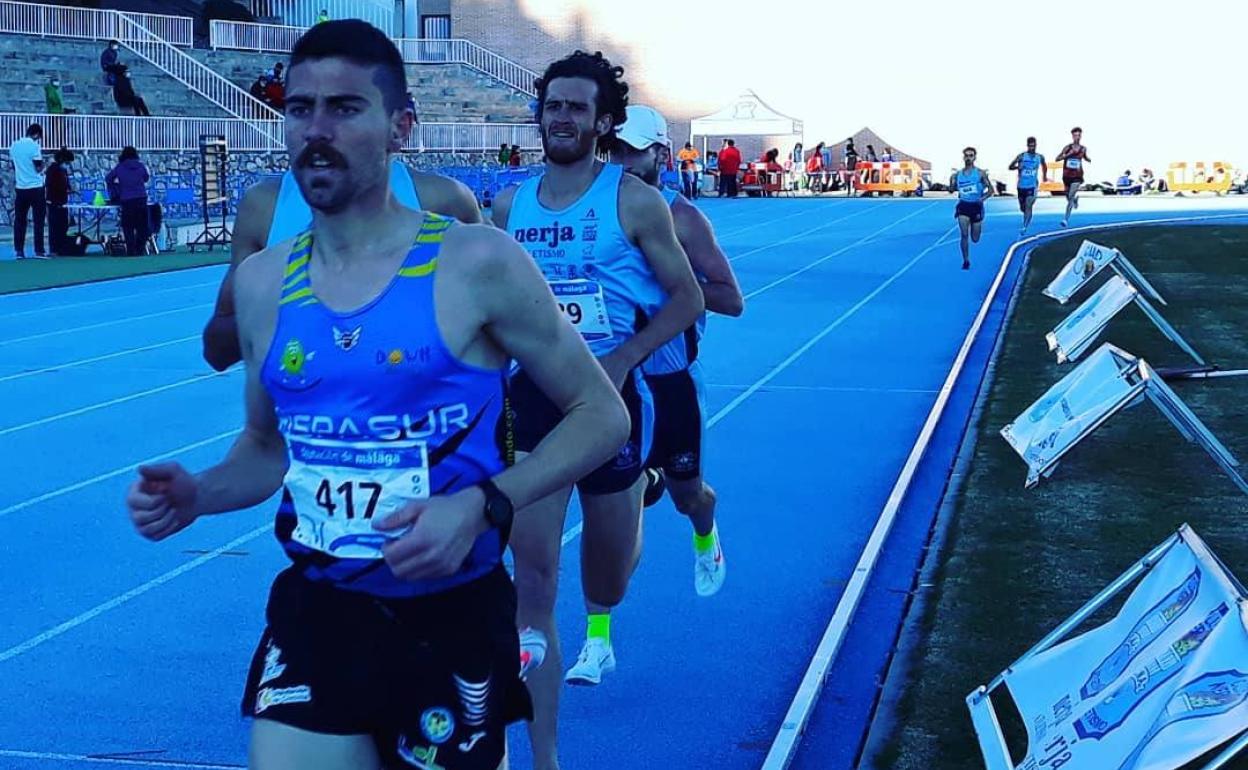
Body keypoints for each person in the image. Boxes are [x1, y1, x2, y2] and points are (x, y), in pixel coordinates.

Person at [125, 20, 631, 770]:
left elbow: (603, 415)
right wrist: (200, 492)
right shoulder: (264, 283)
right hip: (319, 609)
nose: (316, 131)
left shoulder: (476, 262)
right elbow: (265, 449)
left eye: (344, 108)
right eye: (299, 109)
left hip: (451, 617)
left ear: (401, 128)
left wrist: (484, 503)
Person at [489, 50, 704, 770]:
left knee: (605, 578)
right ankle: (542, 755)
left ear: (603, 121)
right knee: (535, 585)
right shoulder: (507, 207)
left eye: (577, 108)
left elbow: (688, 300)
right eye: (553, 105)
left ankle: (624, 543)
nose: (562, 118)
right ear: (538, 113)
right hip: (532, 407)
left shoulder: (632, 201)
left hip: (611, 406)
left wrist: (619, 358)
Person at [201, 79, 483, 374]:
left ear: (399, 127)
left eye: (346, 111)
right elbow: (216, 349)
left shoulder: (442, 199)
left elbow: (499, 321)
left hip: (415, 414)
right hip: (302, 411)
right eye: (305, 111)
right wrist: (293, 302)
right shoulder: (266, 205)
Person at [611, 104, 742, 597]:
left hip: (671, 383)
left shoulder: (683, 217)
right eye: (616, 151)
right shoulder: (600, 212)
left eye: (634, 152)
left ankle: (706, 533)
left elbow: (731, 299)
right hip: (614, 380)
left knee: (689, 496)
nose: (623, 162)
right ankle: (598, 627)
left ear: (660, 155)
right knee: (615, 504)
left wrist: (669, 284)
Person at [950, 146, 994, 270]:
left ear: (974, 157)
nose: (968, 158)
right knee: (964, 235)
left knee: (975, 238)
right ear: (963, 157)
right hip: (963, 205)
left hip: (976, 206)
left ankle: (975, 229)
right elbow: (951, 190)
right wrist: (952, 182)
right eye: (966, 155)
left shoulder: (980, 174)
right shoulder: (958, 174)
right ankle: (966, 260)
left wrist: (982, 199)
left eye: (971, 155)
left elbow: (991, 190)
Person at [106, 146, 150, 256]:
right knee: (142, 226)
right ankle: (140, 249)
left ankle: (130, 250)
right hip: (141, 197)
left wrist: (117, 187)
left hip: (127, 199)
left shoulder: (120, 167)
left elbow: (108, 178)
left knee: (128, 226)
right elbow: (146, 178)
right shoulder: (140, 166)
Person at [10, 123, 46, 259]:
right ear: (36, 134)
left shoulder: (14, 145)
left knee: (19, 220)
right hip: (36, 187)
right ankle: (39, 251)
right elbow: (38, 167)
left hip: (21, 188)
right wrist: (44, 165)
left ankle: (19, 251)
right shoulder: (34, 146)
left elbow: (14, 165)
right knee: (39, 220)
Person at [1008, 136, 1046, 236]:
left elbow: (1044, 166)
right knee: (1023, 208)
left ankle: (1025, 226)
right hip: (1021, 186)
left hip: (1032, 186)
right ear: (1027, 146)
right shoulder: (1021, 156)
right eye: (1030, 146)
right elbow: (1010, 166)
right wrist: (1017, 167)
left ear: (1036, 146)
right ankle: (1026, 218)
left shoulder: (1039, 157)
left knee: (1029, 206)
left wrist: (1044, 177)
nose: (1032, 148)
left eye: (1033, 146)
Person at [1055, 126, 1090, 227]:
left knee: (1070, 196)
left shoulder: (1083, 149)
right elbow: (1057, 158)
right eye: (1075, 135)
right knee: (1068, 196)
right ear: (1072, 136)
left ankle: (1065, 219)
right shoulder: (1067, 147)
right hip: (1066, 175)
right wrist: (1067, 155)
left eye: (1079, 135)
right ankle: (1075, 200)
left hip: (1077, 176)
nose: (1077, 137)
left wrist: (1088, 159)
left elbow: (1085, 157)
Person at [45, 147, 74, 256]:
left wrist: (68, 188)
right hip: (54, 201)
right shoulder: (53, 170)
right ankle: (54, 249)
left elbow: (65, 184)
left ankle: (61, 247)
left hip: (62, 201)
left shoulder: (62, 170)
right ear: (62, 160)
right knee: (55, 226)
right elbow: (53, 186)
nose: (68, 165)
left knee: (62, 225)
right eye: (67, 162)